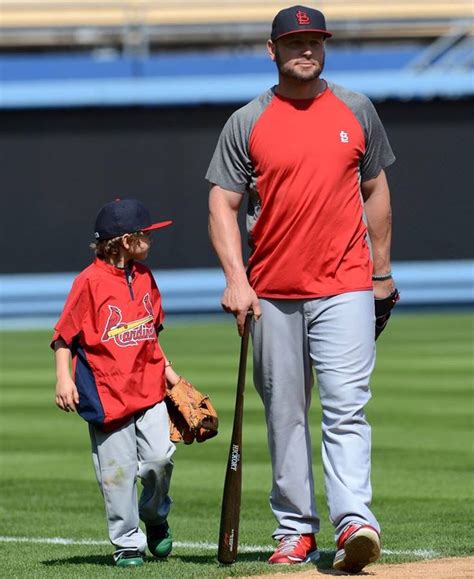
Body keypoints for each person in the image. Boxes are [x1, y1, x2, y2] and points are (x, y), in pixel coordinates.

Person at [206, 5, 397, 573]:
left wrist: (381, 272)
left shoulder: (357, 109)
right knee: (285, 414)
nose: (306, 50)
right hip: (271, 291)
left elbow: (376, 188)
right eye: (294, 42)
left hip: (345, 283)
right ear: (273, 50)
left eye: (314, 41)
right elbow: (223, 200)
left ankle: (354, 521)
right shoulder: (247, 121)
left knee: (345, 409)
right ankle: (295, 529)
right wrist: (236, 281)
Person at [52, 198, 179, 568]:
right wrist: (64, 378)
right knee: (117, 474)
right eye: (145, 234)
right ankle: (126, 542)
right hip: (107, 395)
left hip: (149, 387)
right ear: (126, 240)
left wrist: (172, 375)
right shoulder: (88, 282)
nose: (150, 240)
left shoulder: (144, 277)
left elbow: (151, 334)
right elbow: (64, 337)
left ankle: (155, 517)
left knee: (159, 460)